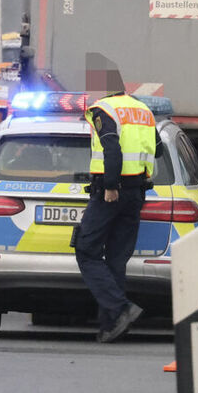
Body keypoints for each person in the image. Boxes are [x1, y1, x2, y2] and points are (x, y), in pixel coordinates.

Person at [74, 53, 160, 343]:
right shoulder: (143, 110)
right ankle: (111, 326)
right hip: (137, 192)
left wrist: (110, 184)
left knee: (86, 250)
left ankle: (121, 308)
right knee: (116, 260)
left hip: (110, 191)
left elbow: (111, 146)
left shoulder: (103, 109)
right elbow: (157, 149)